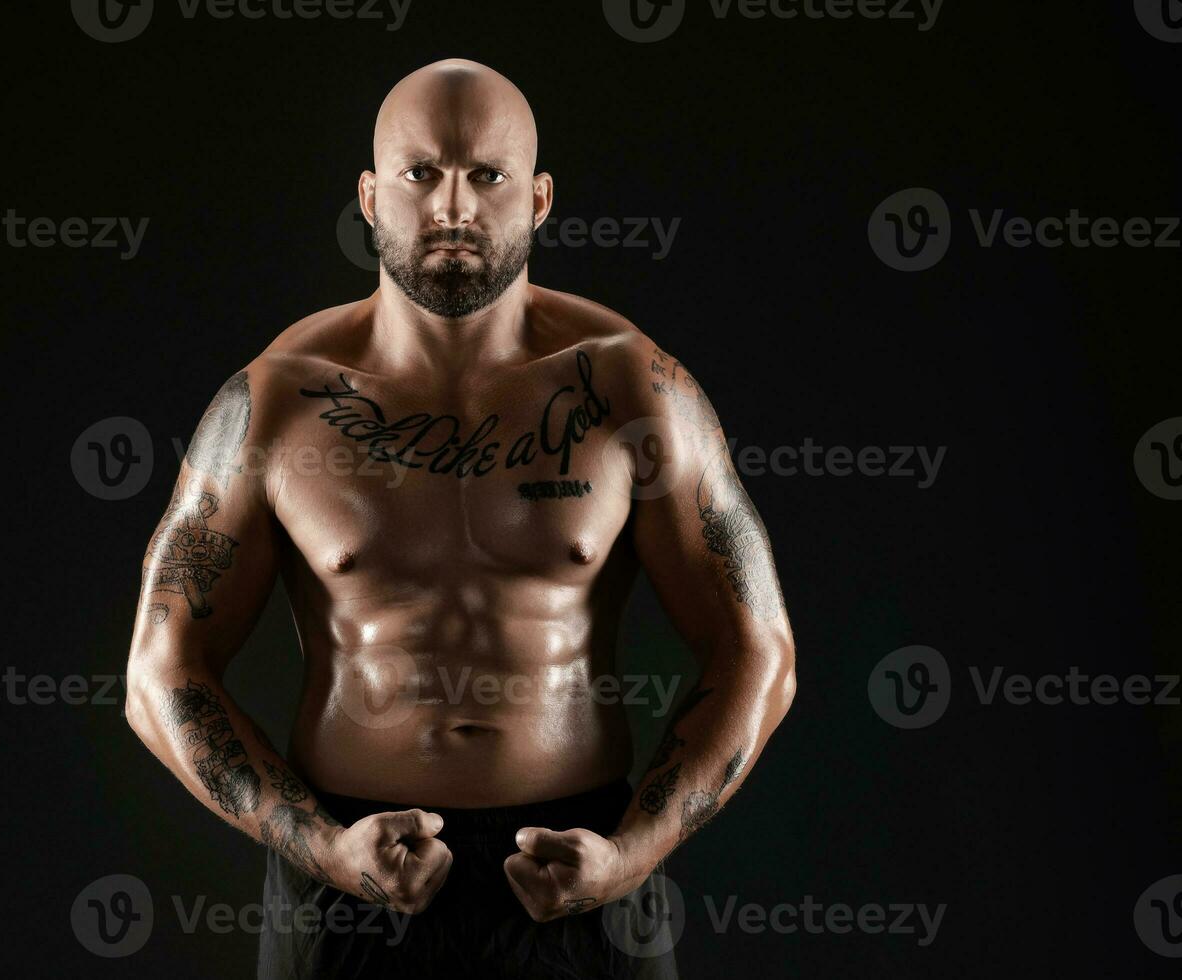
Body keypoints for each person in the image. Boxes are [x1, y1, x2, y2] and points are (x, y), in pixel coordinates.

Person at [123, 57, 796, 979]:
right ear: (368, 195)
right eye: (419, 173)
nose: (452, 207)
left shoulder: (631, 388)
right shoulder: (278, 403)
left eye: (487, 175)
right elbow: (160, 672)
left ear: (541, 197)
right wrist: (321, 851)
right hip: (346, 884)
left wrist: (631, 859)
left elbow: (760, 651)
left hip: (584, 868)